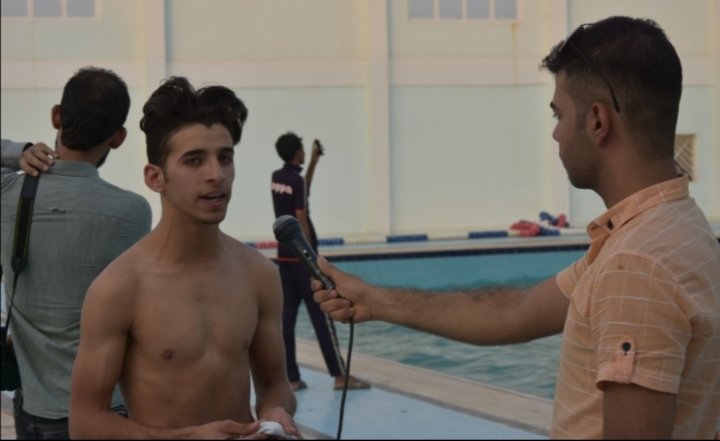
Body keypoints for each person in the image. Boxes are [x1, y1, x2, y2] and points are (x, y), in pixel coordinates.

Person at [312, 16, 720, 439]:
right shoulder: (679, 227)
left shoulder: (635, 266)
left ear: (598, 122)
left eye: (559, 114)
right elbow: (514, 312)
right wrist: (376, 300)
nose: (556, 134)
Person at [68, 76, 300, 440]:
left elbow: (275, 384)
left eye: (225, 158)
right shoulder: (120, 288)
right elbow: (84, 422)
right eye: (194, 161)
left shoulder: (258, 274)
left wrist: (275, 412)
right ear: (155, 178)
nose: (216, 175)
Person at [0, 66, 152, 440]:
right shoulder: (132, 212)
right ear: (118, 137)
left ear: (57, 116)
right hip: (106, 410)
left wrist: (19, 152)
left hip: (35, 409)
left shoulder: (7, 195)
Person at [271, 132, 369, 392]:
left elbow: (301, 193)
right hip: (302, 260)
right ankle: (340, 376)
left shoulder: (277, 177)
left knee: (287, 318)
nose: (305, 152)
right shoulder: (296, 181)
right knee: (322, 316)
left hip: (283, 256)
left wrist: (314, 162)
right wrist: (311, 258)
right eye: (303, 149)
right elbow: (301, 214)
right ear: (296, 152)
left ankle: (291, 378)